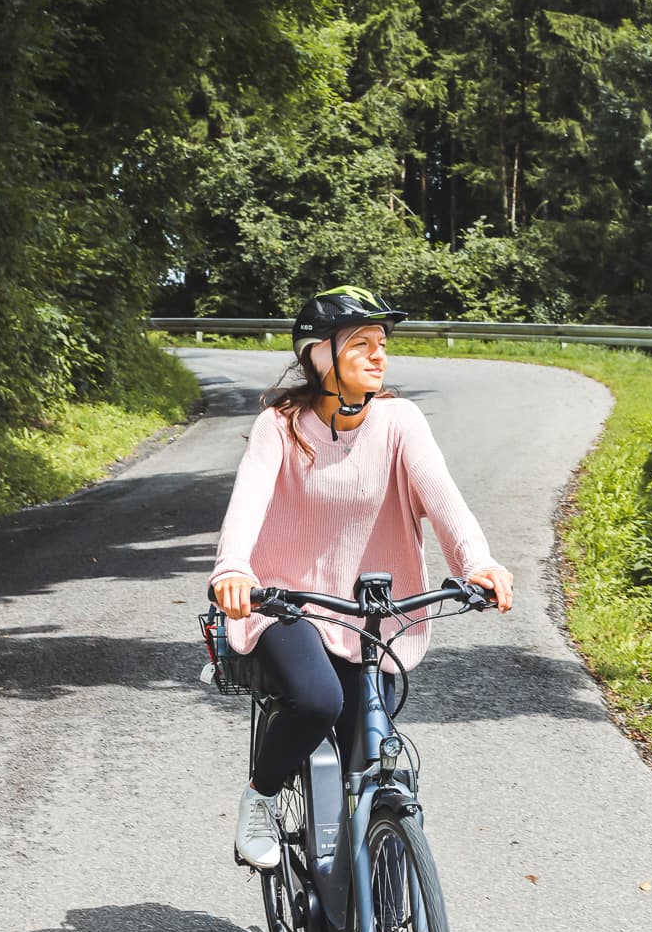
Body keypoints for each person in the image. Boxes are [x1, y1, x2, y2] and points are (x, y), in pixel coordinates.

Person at [210, 285, 513, 868]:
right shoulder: (280, 426)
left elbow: (443, 498)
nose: (379, 355)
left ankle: (372, 875)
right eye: (361, 344)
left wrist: (477, 562)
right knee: (317, 699)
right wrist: (234, 570)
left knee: (370, 744)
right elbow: (247, 502)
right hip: (287, 601)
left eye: (382, 343)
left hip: (370, 610)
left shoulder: (400, 421)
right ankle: (261, 798)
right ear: (320, 356)